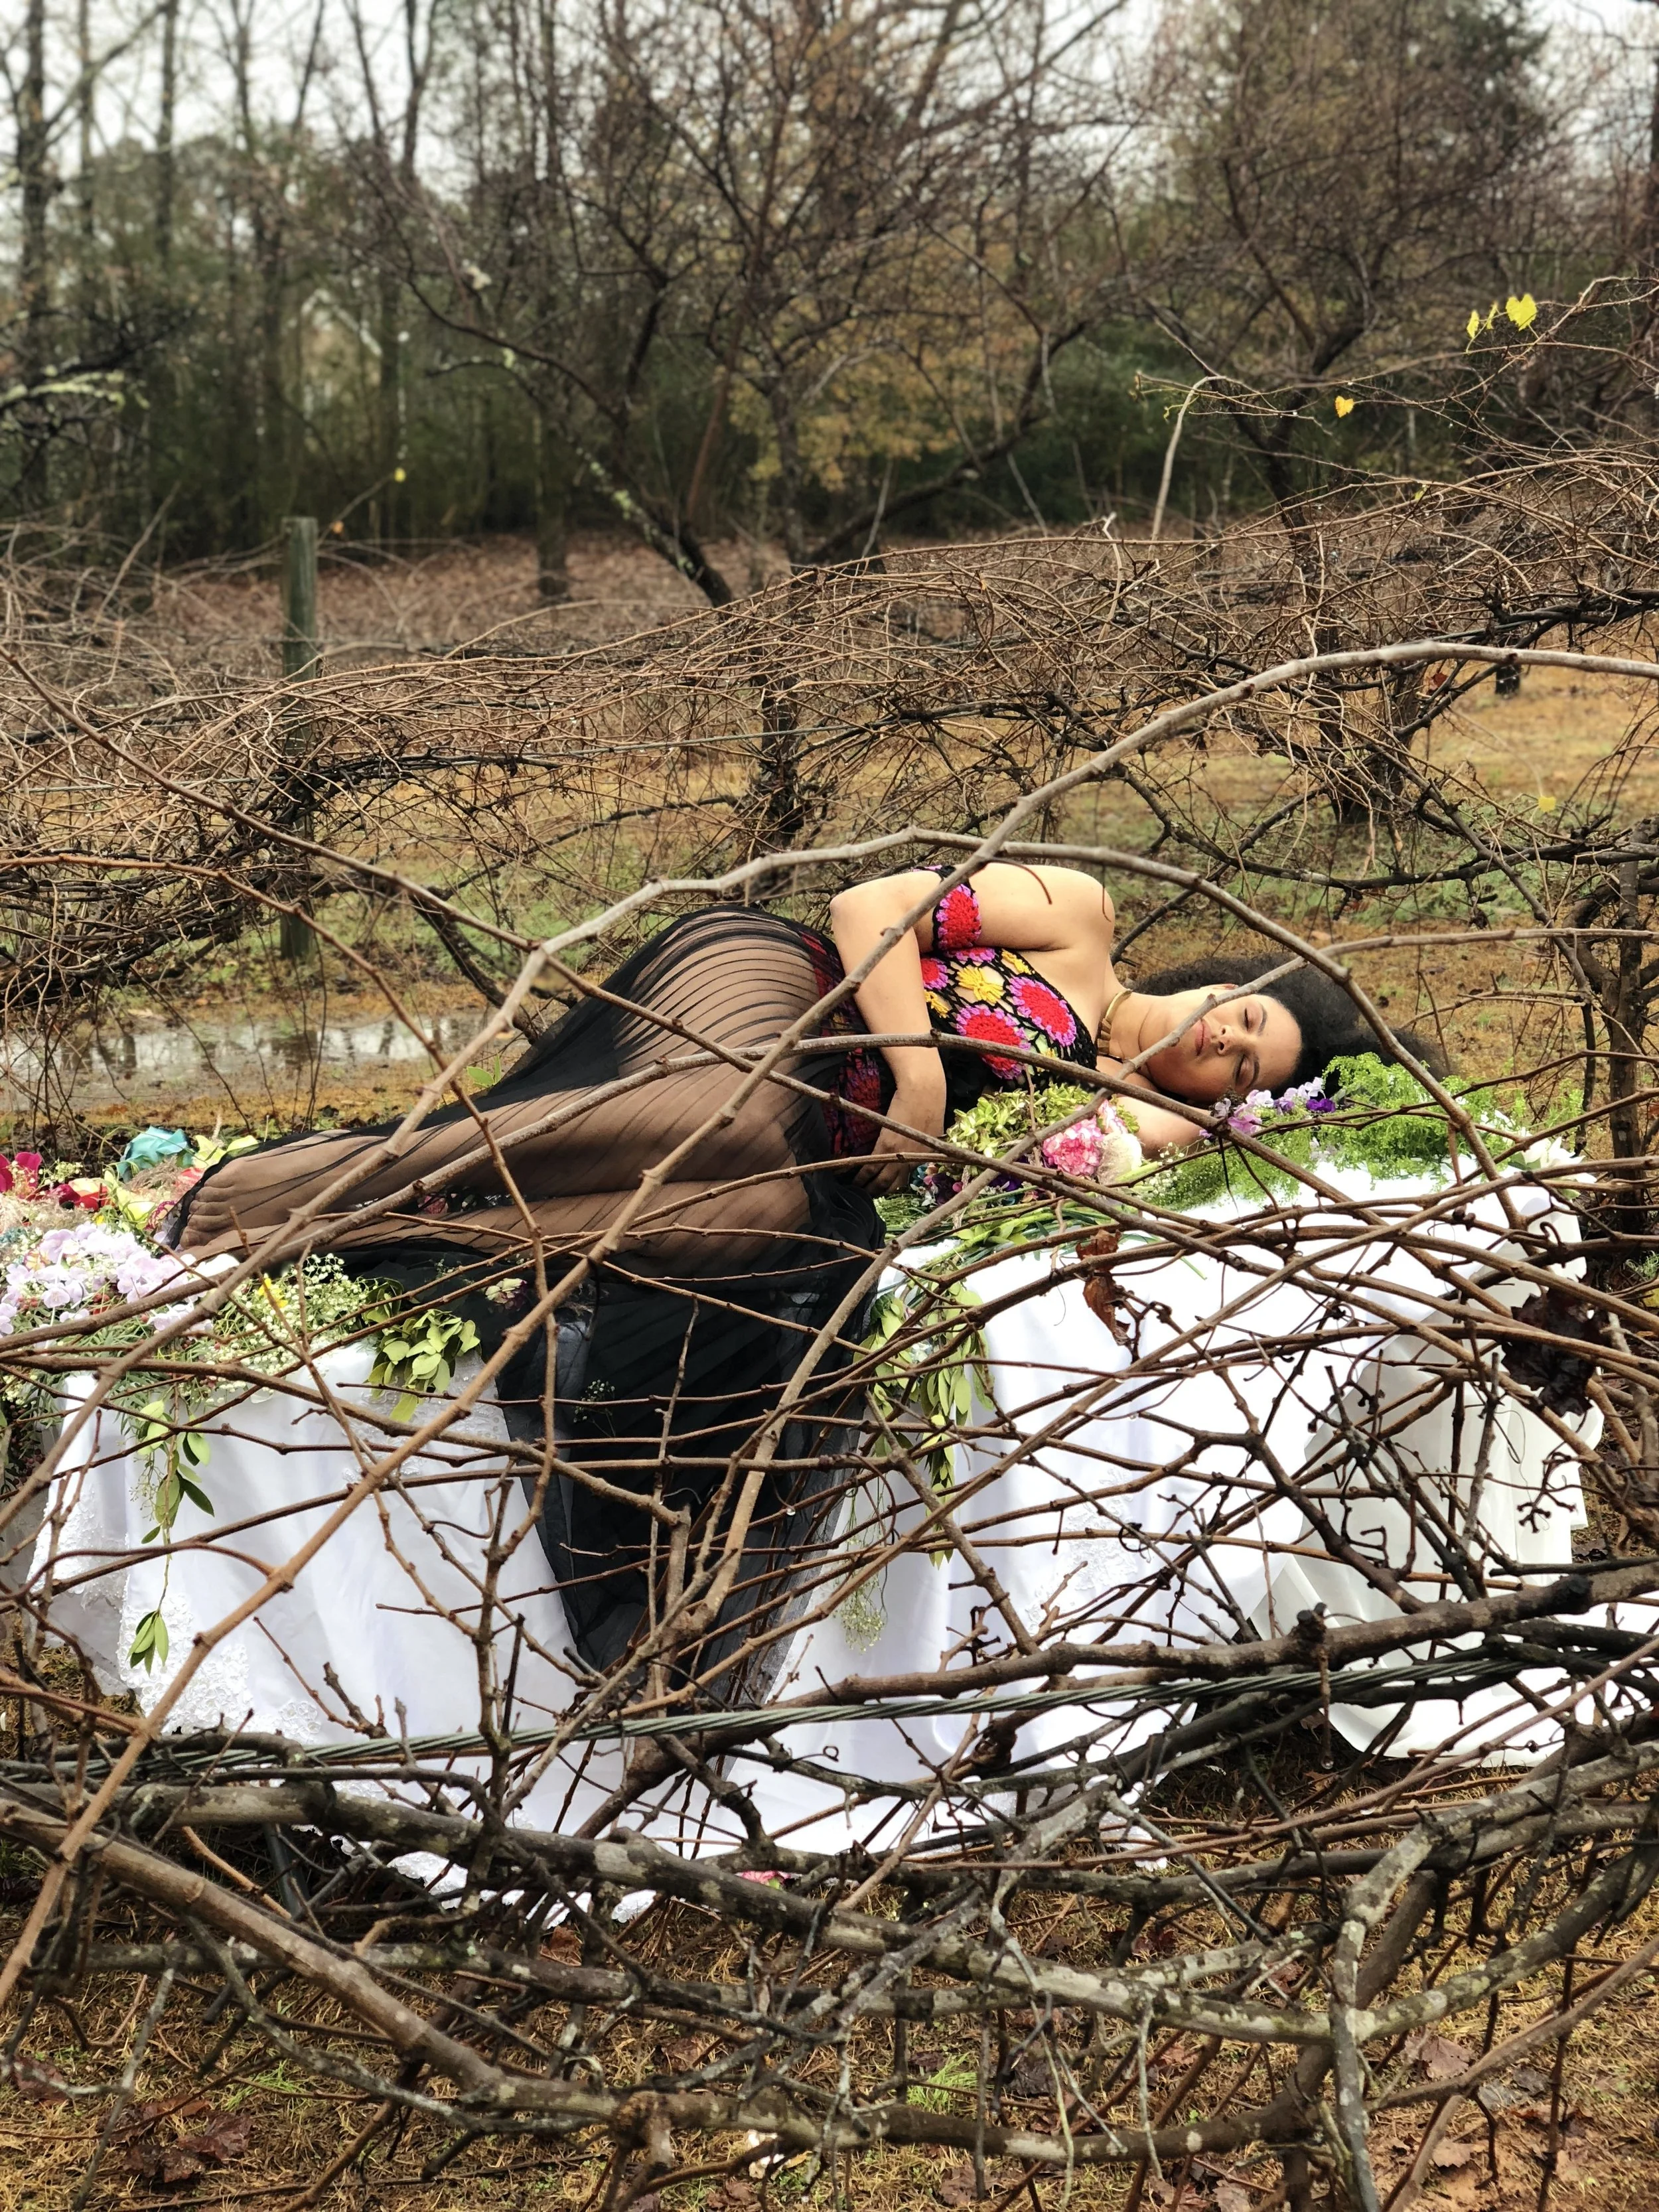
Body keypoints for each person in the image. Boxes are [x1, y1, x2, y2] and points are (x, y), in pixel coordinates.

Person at [167, 864, 1430, 1670]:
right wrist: (924, 1071)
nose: (1220, 1040)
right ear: (1228, 975)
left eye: (1245, 1069)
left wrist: (1176, 1124)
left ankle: (389, 1227)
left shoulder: (1115, 1106)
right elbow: (869, 908)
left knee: (742, 1222)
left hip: (810, 1150)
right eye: (1246, 1014)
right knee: (712, 1128)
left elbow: (1108, 1155)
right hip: (776, 993)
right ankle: (254, 1196)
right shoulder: (1084, 918)